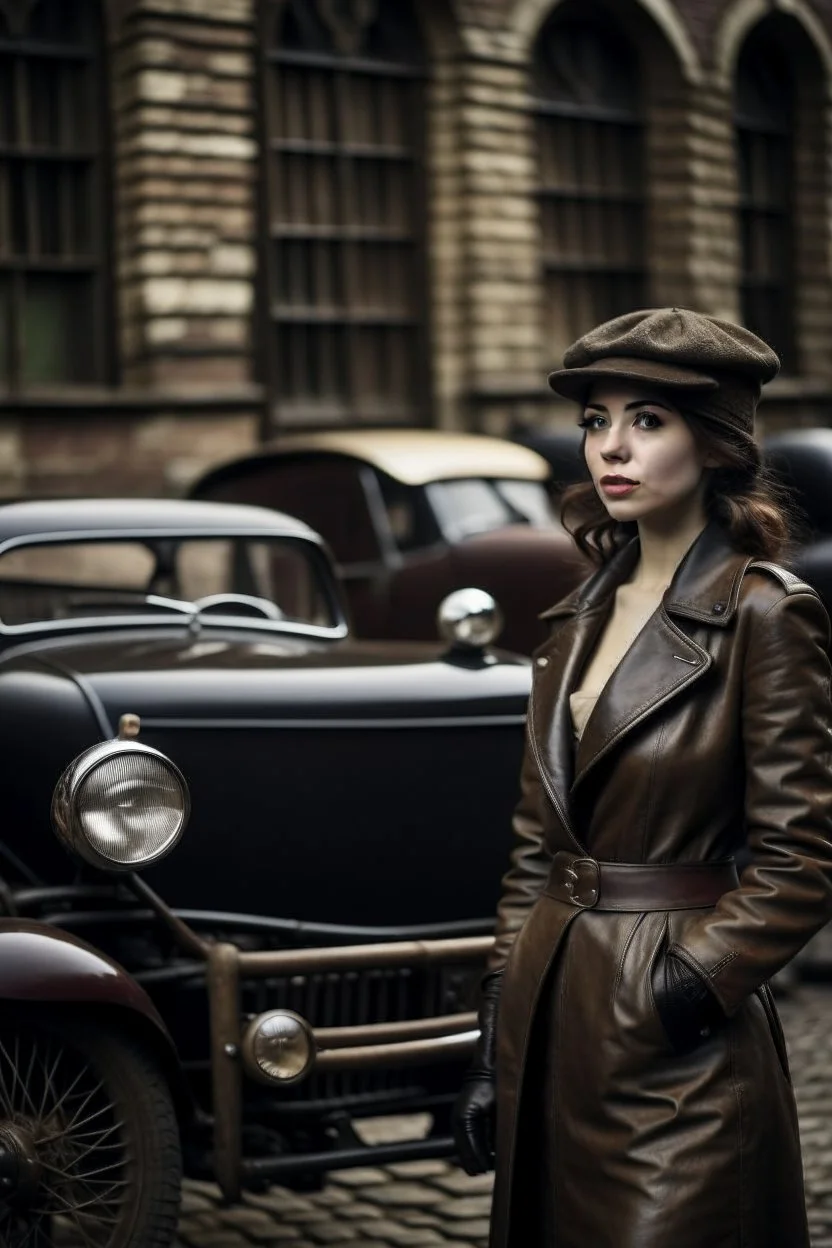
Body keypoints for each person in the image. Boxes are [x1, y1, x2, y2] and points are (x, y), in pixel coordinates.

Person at [452, 307, 832, 1248]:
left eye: (647, 420)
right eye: (596, 420)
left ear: (714, 443)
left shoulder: (765, 617)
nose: (610, 447)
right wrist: (500, 1039)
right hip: (550, 1019)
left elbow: (803, 860)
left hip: (677, 1053)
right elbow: (537, 851)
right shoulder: (571, 621)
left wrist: (683, 989)